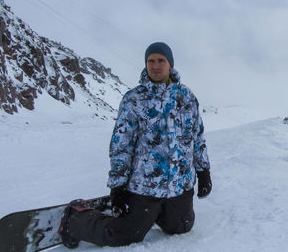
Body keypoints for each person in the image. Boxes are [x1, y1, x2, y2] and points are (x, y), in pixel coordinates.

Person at [58, 42, 212, 248]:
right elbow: (121, 145)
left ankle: (154, 214)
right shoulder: (134, 99)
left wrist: (203, 172)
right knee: (123, 236)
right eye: (151, 61)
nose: (155, 66)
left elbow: (197, 136)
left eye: (161, 61)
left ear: (170, 65)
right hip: (144, 186)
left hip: (179, 185)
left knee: (181, 227)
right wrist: (118, 186)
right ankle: (75, 219)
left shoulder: (186, 97)